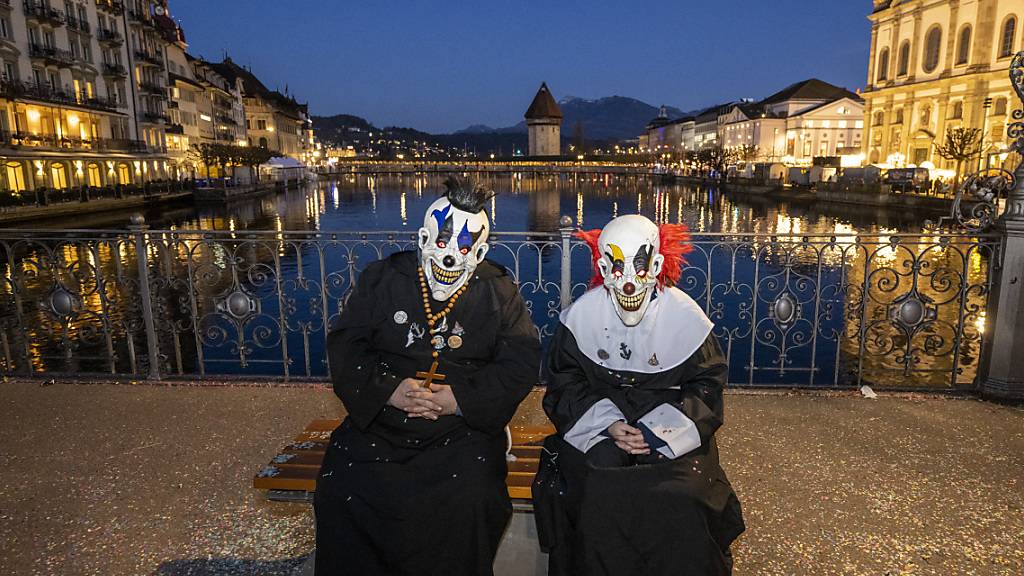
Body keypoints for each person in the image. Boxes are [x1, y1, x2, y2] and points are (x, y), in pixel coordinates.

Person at [314, 176, 540, 575]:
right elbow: (347, 345)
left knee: (471, 496)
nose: (451, 257)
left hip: (461, 430)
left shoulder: (498, 291)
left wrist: (461, 399)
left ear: (480, 251)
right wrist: (390, 390)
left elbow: (519, 362)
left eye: (465, 248)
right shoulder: (382, 278)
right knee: (343, 484)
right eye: (441, 242)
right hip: (382, 423)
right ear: (422, 238)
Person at [533, 214, 745, 576]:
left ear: (657, 265)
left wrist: (657, 432)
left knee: (682, 496)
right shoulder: (581, 317)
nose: (629, 284)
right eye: (617, 268)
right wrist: (608, 424)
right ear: (603, 266)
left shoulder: (684, 318)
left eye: (640, 266)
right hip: (599, 426)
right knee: (596, 491)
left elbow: (707, 386)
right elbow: (564, 383)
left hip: (673, 428)